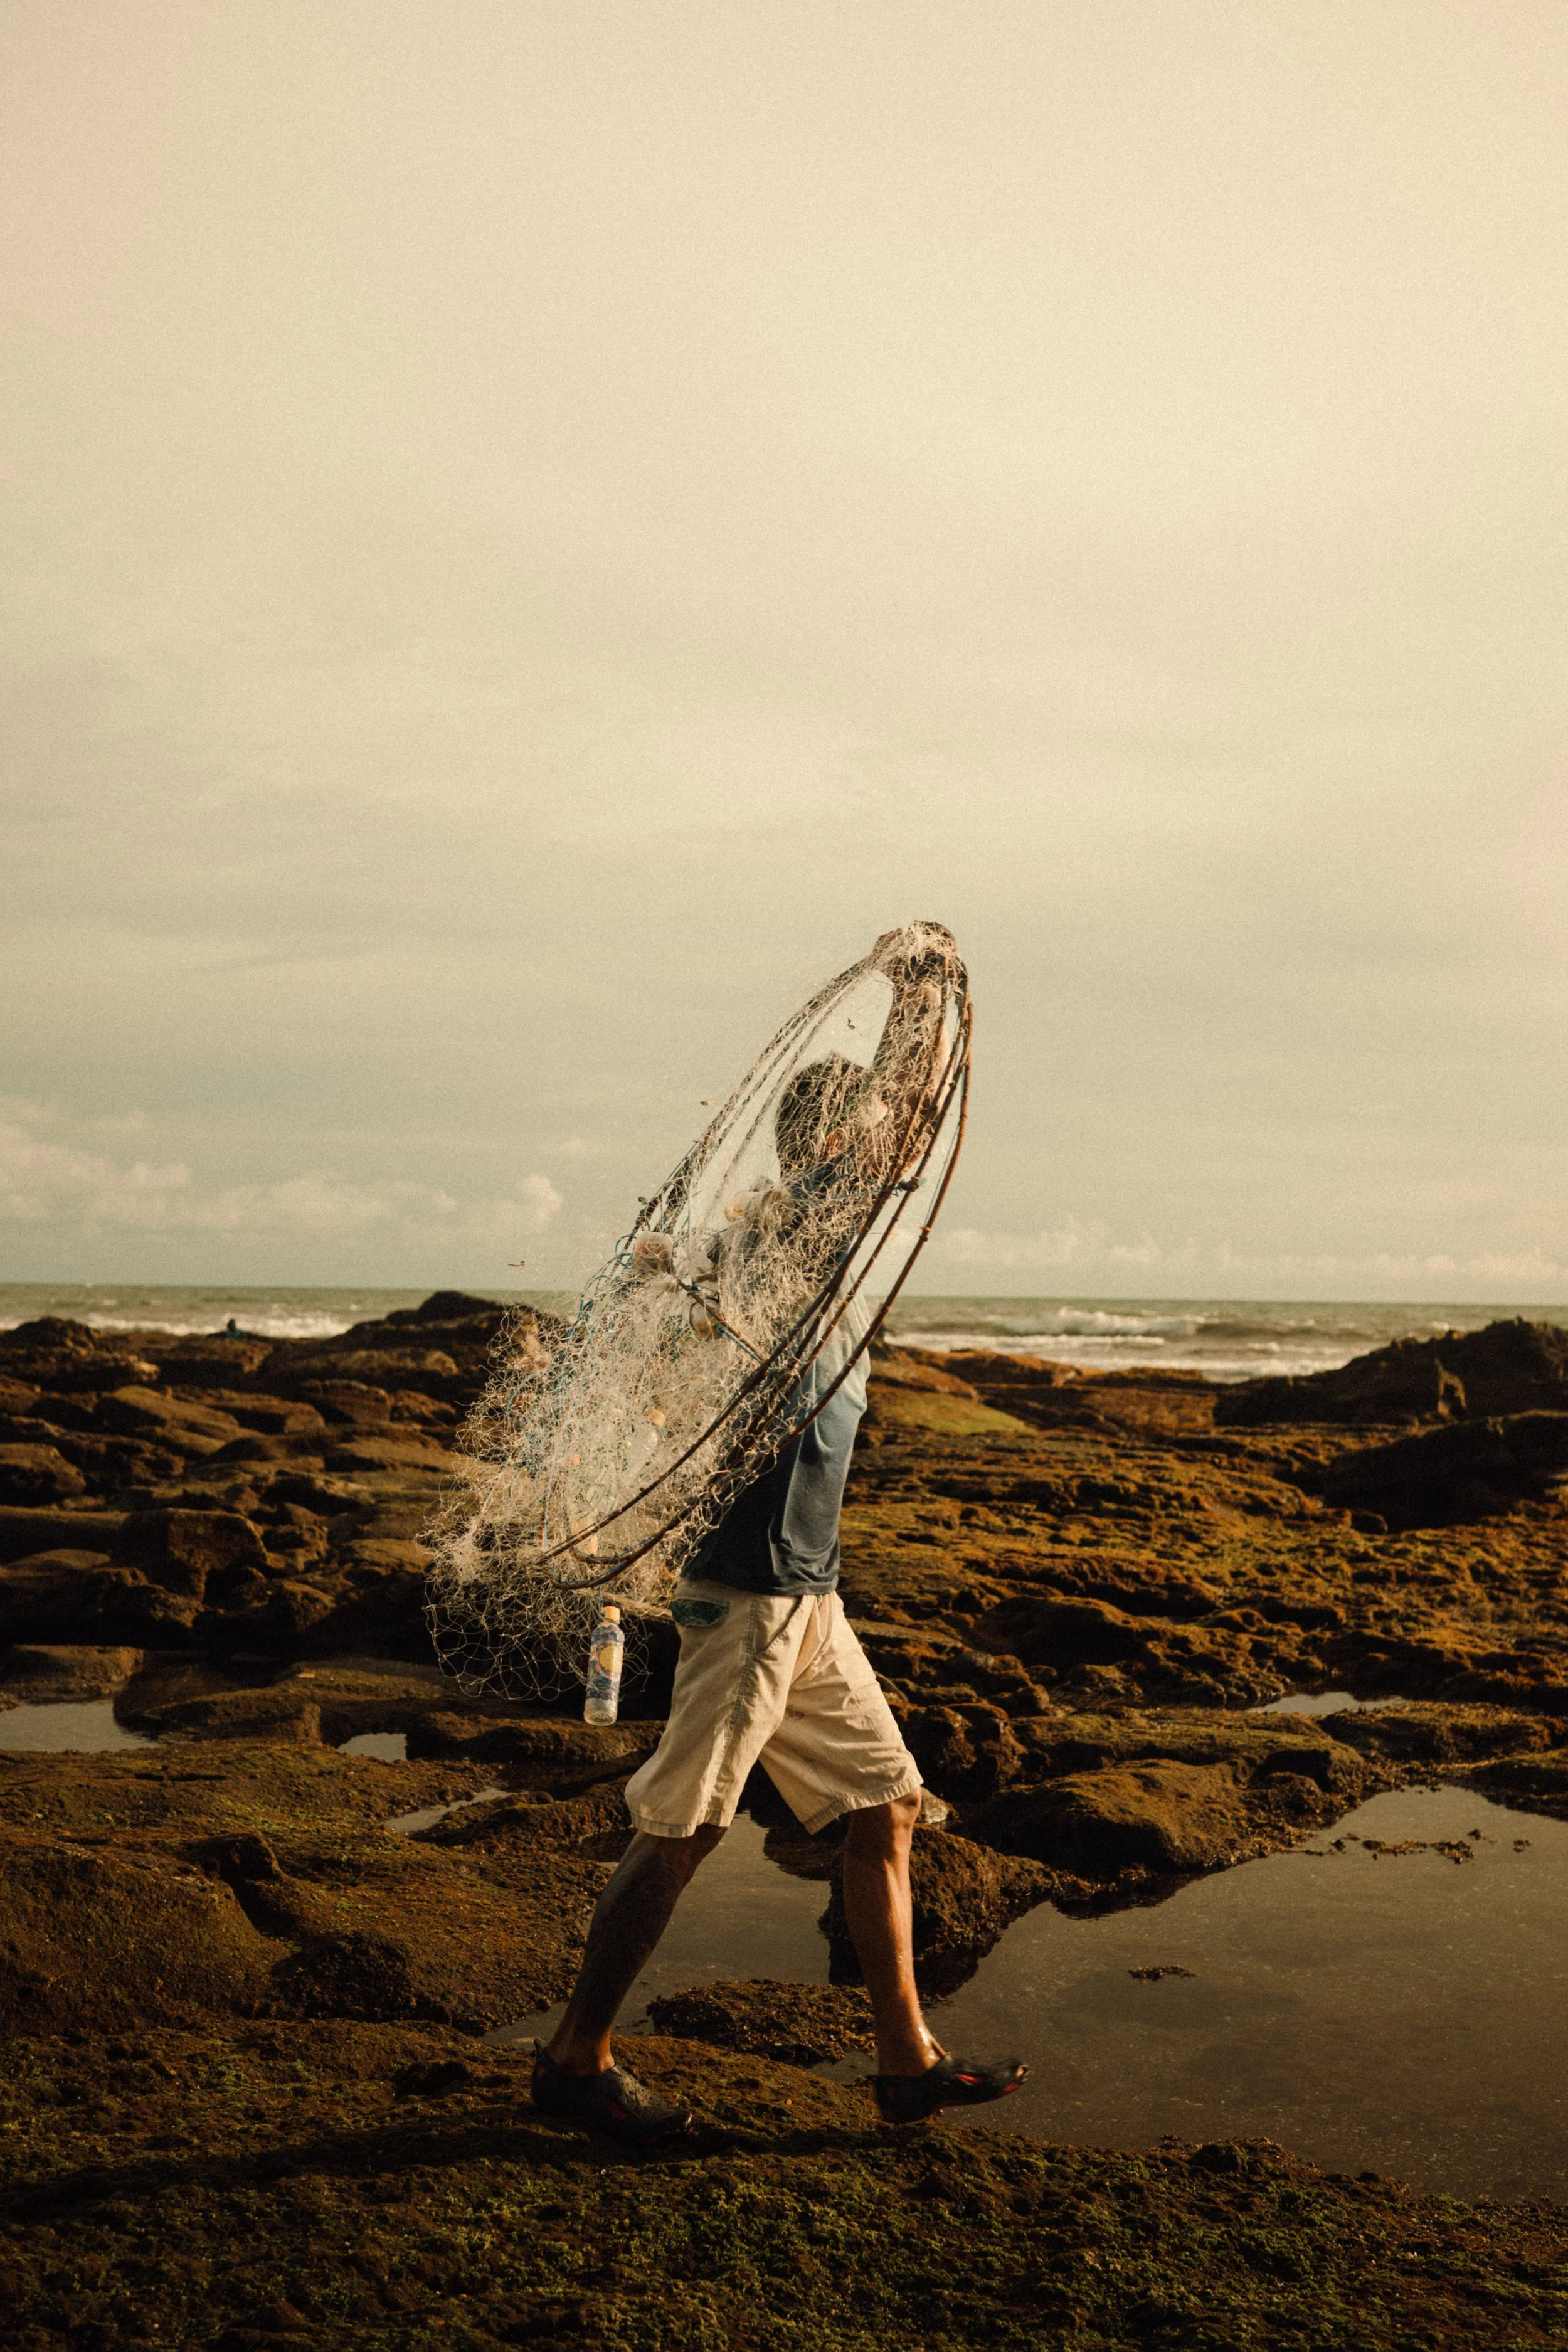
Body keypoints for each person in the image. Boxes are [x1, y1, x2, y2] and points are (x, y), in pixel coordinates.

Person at [532, 927, 1025, 2146]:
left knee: (885, 1805)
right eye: (860, 1132)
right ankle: (574, 2059)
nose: (884, 1145)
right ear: (825, 1146)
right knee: (685, 1826)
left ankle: (905, 2058)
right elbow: (905, 1113)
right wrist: (916, 991)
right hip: (746, 1596)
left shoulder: (818, 1248)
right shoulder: (791, 1228)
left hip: (808, 1597)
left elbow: (896, 1126)